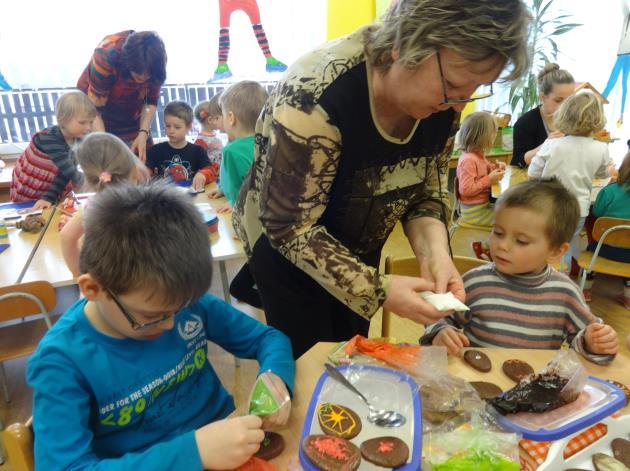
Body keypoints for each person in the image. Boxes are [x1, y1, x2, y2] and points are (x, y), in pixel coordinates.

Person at [232, 0, 532, 358]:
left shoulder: (442, 98)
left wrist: (435, 254)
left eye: (475, 88)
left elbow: (426, 187)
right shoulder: (315, 95)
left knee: (351, 355)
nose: (459, 104)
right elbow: (288, 227)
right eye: (453, 85)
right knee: (310, 367)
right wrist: (380, 290)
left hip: (357, 243)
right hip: (287, 253)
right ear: (404, 45)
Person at [28, 182, 294, 470]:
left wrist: (274, 376)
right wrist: (193, 453)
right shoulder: (61, 362)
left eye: (177, 311)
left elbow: (268, 339)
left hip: (226, 441)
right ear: (93, 288)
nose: (170, 324)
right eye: (152, 315)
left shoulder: (181, 303)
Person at [421, 179, 619, 364]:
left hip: (534, 390)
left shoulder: (565, 293)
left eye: (521, 241)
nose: (503, 245)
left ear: (556, 251)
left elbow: (585, 340)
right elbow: (440, 317)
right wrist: (441, 331)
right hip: (477, 383)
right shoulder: (475, 281)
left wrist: (595, 342)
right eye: (498, 233)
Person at [528, 91, 611, 273]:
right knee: (564, 247)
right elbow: (604, 173)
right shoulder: (601, 148)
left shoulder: (553, 144)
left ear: (564, 115)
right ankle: (560, 280)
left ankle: (535, 275)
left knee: (543, 242)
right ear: (598, 119)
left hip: (547, 205)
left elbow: (533, 172)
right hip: (577, 209)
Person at [77, 31, 167, 162]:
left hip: (134, 113)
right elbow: (94, 108)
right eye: (138, 72)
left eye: (147, 75)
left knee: (145, 161)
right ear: (128, 63)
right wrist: (104, 141)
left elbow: (150, 100)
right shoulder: (106, 54)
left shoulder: (157, 61)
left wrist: (143, 132)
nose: (142, 78)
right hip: (98, 113)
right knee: (109, 163)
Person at [60, 133, 141, 276]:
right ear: (134, 171)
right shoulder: (146, 204)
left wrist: (79, 274)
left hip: (105, 286)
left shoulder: (91, 208)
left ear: (90, 179)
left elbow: (66, 236)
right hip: (144, 284)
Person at [10, 91, 96, 209]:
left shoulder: (78, 141)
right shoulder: (48, 138)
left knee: (50, 210)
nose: (89, 127)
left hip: (52, 186)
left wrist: (49, 197)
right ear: (63, 119)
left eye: (91, 122)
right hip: (31, 185)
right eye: (82, 122)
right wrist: (96, 183)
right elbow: (69, 169)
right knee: (30, 212)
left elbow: (64, 174)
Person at [208, 80, 268, 212]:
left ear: (230, 117)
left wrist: (234, 204)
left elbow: (242, 193)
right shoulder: (268, 142)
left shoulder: (232, 150)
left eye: (222, 115)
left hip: (246, 218)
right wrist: (223, 189)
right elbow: (243, 180)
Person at [582, 150, 630, 309]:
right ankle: (628, 296)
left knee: (591, 250)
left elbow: (596, 212)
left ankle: (586, 291)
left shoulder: (610, 191)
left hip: (603, 250)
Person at [511, 63, 575, 168]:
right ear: (543, 97)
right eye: (558, 100)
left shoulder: (574, 121)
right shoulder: (526, 123)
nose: (565, 106)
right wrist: (546, 146)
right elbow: (517, 162)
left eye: (570, 100)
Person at [146, 101, 213, 190]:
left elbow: (210, 170)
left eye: (177, 127)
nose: (171, 131)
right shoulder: (155, 150)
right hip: (165, 197)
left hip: (191, 196)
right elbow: (145, 172)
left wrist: (203, 174)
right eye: (168, 126)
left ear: (189, 127)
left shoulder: (198, 151)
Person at [455, 112, 505, 226]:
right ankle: (491, 243)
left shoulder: (478, 155)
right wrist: (489, 179)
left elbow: (483, 171)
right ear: (483, 136)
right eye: (494, 133)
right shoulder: (468, 160)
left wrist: (496, 168)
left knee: (510, 213)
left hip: (481, 207)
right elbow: (466, 190)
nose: (495, 136)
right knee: (509, 220)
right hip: (473, 212)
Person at [194, 93, 224, 183]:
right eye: (217, 118)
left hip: (219, 172)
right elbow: (199, 160)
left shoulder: (214, 135)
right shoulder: (201, 140)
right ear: (210, 120)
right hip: (211, 175)